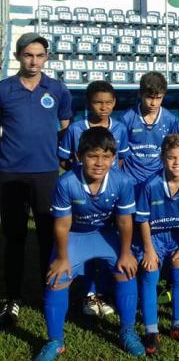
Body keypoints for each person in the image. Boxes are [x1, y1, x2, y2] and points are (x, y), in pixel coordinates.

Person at [34, 128, 144, 361]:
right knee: (56, 278)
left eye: (106, 157)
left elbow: (125, 222)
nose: (99, 163)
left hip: (105, 234)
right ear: (79, 156)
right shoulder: (66, 183)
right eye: (93, 156)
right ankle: (55, 341)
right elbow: (62, 225)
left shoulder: (123, 181)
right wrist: (62, 258)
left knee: (126, 270)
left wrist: (125, 253)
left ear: (114, 159)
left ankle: (127, 331)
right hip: (75, 235)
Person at [0, 33, 72, 326]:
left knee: (47, 235)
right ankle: (12, 297)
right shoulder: (4, 89)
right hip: (10, 173)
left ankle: (49, 291)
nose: (34, 60)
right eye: (28, 55)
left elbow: (65, 123)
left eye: (39, 55)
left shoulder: (56, 89)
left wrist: (50, 149)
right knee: (14, 236)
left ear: (46, 57)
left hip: (46, 172)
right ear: (18, 56)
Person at [58, 80, 129, 318]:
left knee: (108, 246)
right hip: (82, 198)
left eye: (109, 102)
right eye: (98, 102)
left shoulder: (119, 128)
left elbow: (118, 163)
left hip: (107, 196)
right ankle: (88, 293)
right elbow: (65, 160)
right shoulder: (76, 129)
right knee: (86, 247)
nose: (104, 107)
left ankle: (103, 292)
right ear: (89, 103)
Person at [134, 134, 179, 355]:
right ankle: (151, 330)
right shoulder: (151, 185)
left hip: (177, 235)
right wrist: (148, 249)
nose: (178, 162)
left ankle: (178, 325)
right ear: (162, 158)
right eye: (172, 157)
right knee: (150, 273)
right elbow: (143, 219)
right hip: (152, 236)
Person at [121, 72, 177, 183]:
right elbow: (120, 155)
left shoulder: (170, 119)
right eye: (150, 98)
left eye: (158, 98)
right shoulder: (126, 118)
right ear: (140, 94)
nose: (154, 103)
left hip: (158, 178)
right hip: (131, 178)